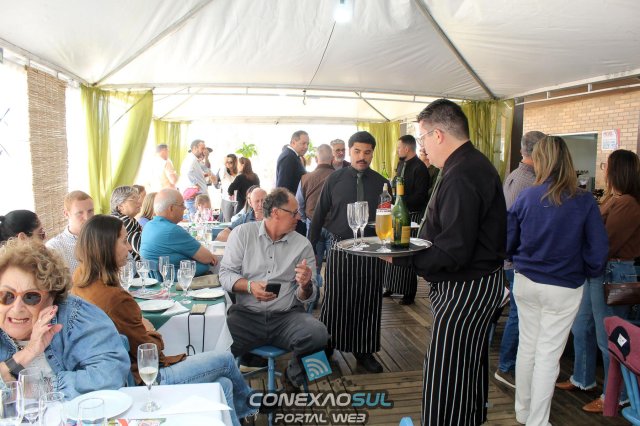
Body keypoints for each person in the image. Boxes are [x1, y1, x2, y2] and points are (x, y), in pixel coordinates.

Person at [71, 215, 255, 425]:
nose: (130, 248)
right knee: (226, 360)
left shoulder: (80, 281)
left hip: (119, 376)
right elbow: (149, 351)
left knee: (223, 385)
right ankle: (251, 409)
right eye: (124, 241)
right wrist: (150, 329)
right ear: (105, 247)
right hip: (145, 380)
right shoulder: (114, 298)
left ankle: (242, 416)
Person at [390, 99, 507, 425]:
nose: (423, 148)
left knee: (446, 373)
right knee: (467, 366)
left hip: (465, 288)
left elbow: (454, 251)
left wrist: (401, 258)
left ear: (438, 134)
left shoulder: (462, 174)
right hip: (478, 283)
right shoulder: (471, 164)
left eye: (423, 138)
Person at [508, 136, 608, 426]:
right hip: (564, 286)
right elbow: (598, 249)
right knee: (548, 354)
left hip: (526, 281)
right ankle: (537, 421)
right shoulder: (584, 200)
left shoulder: (527, 196)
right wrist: (587, 271)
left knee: (528, 347)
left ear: (539, 161)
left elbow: (508, 241)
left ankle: (523, 412)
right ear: (567, 161)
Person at [219, 188, 328, 391]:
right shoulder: (242, 234)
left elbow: (308, 296)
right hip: (246, 317)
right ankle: (235, 395)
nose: (299, 217)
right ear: (276, 212)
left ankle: (292, 379)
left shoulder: (302, 244)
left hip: (287, 317)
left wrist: (306, 285)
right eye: (294, 213)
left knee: (320, 335)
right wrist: (249, 286)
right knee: (215, 345)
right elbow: (225, 275)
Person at [557, 149, 640, 414]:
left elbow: (605, 241)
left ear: (618, 170)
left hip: (613, 272)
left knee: (610, 337)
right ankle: (582, 378)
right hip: (597, 271)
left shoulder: (629, 203)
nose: (604, 169)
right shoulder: (614, 199)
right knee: (582, 326)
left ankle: (617, 395)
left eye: (607, 165)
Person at [0, 238, 130, 399]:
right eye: (6, 295)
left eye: (31, 297)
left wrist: (46, 389)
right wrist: (28, 352)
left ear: (52, 297)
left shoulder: (76, 316)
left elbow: (110, 374)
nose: (17, 308)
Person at [309, 131, 389, 374]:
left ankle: (364, 351)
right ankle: (327, 346)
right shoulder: (334, 179)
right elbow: (319, 213)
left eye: (367, 152)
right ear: (349, 151)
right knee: (336, 298)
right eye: (357, 151)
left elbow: (388, 218)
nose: (362, 156)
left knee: (369, 299)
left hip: (371, 249)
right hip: (339, 246)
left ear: (373, 154)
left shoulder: (382, 183)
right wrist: (309, 247)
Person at [493, 130, 546, 389]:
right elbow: (518, 226)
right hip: (519, 260)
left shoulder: (518, 176)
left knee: (520, 313)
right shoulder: (527, 182)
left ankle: (511, 365)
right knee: (519, 314)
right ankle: (506, 367)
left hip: (515, 258)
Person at [383, 135, 431, 305]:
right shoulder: (401, 164)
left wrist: (400, 202)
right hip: (397, 213)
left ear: (407, 148)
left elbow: (420, 196)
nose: (397, 151)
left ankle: (408, 292)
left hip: (412, 216)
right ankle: (390, 285)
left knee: (406, 252)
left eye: (398, 148)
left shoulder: (420, 168)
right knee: (393, 248)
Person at [140, 189, 218, 276]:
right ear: (171, 208)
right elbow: (208, 258)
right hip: (177, 281)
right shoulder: (172, 230)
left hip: (153, 278)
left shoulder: (148, 226)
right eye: (182, 205)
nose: (185, 208)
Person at [46, 191, 95, 274]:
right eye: (80, 213)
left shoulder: (102, 238)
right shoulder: (54, 247)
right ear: (66, 214)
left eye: (90, 211)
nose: (87, 218)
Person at [277, 131, 309, 236]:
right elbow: (283, 187)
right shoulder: (288, 157)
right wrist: (290, 211)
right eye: (303, 143)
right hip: (290, 211)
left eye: (307, 144)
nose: (306, 147)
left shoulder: (292, 156)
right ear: (293, 142)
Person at [110, 186, 143, 261]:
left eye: (138, 199)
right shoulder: (122, 222)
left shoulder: (127, 220)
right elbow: (142, 248)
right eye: (133, 199)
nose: (140, 203)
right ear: (120, 206)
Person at [178, 139, 208, 216]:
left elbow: (205, 169)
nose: (204, 151)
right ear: (194, 148)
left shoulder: (193, 159)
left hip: (195, 196)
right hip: (195, 196)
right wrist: (196, 185)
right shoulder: (192, 160)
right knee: (195, 220)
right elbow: (188, 173)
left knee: (197, 219)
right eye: (202, 148)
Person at [218, 154, 238, 222]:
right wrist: (224, 163)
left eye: (231, 162)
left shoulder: (239, 173)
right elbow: (221, 174)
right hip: (226, 200)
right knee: (228, 222)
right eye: (227, 162)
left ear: (235, 163)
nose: (228, 164)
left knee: (237, 221)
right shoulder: (223, 172)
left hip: (238, 200)